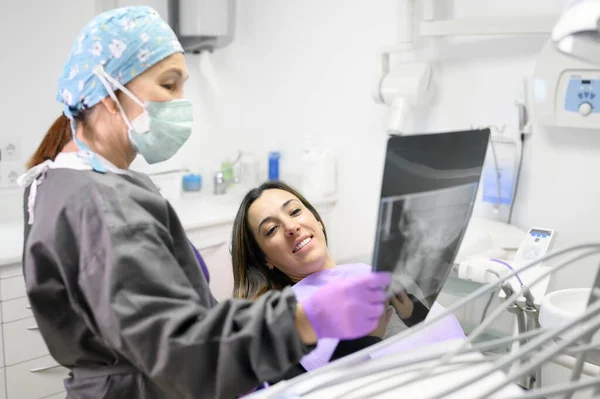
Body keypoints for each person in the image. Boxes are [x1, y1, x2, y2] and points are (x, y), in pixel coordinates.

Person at [19, 7, 391, 399]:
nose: (181, 102)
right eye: (168, 84)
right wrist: (302, 319)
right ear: (110, 95)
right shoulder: (98, 204)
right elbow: (178, 348)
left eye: (182, 86)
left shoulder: (76, 185)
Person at [231, 180, 467, 379]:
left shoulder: (371, 272)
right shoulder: (290, 314)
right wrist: (367, 338)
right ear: (265, 260)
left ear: (318, 220)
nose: (291, 227)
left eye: (294, 211)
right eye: (272, 229)